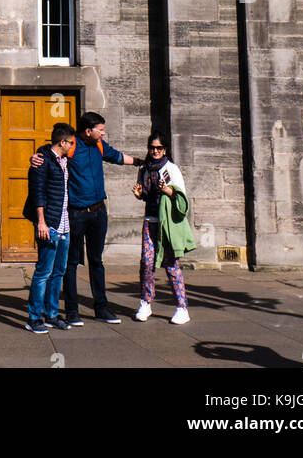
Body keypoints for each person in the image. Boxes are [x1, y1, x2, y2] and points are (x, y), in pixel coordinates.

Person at [31, 110, 136, 324]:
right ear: (88, 131)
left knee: (97, 261)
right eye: (101, 130)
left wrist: (143, 162)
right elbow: (52, 151)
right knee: (71, 263)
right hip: (76, 213)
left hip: (98, 212)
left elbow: (117, 157)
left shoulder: (99, 146)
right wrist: (36, 155)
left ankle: (101, 308)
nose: (104, 133)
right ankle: (72, 312)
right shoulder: (72, 146)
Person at [132, 132, 194, 324]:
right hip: (150, 221)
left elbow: (182, 200)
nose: (155, 151)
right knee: (147, 264)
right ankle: (145, 302)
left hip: (167, 224)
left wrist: (168, 190)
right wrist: (139, 194)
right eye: (152, 147)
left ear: (165, 149)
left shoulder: (171, 169)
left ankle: (182, 307)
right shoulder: (144, 169)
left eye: (159, 148)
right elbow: (146, 194)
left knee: (171, 265)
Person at [24, 121, 76, 333]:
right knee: (43, 272)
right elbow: (38, 194)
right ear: (62, 142)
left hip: (65, 224)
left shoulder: (65, 161)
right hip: (50, 224)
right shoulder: (42, 161)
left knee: (59, 272)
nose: (73, 146)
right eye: (70, 143)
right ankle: (34, 318)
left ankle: (52, 314)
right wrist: (41, 222)